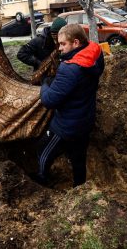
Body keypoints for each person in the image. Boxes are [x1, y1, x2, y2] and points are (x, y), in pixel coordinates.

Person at [36, 24, 105, 187]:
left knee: (42, 150)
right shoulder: (95, 54)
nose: (59, 48)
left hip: (65, 126)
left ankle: (41, 180)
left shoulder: (70, 69)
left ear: (75, 42)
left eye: (62, 44)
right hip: (85, 120)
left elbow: (49, 100)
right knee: (78, 157)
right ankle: (79, 186)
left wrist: (45, 85)